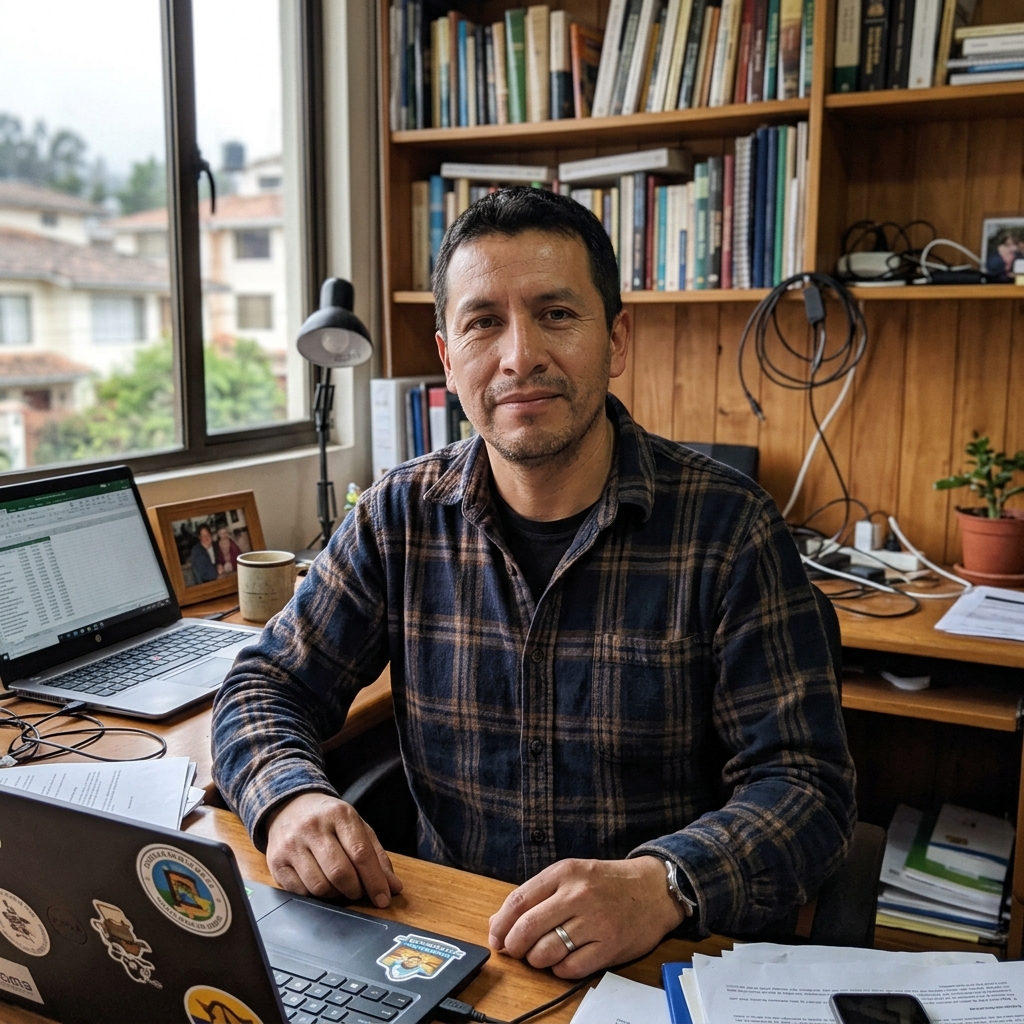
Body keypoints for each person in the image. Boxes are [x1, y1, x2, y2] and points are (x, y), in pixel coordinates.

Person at [213, 187, 856, 979]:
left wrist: (664, 884)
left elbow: (808, 787)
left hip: (652, 958)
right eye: (484, 322)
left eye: (556, 314)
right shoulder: (397, 516)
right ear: (449, 356)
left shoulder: (728, 531)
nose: (520, 356)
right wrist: (288, 800)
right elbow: (266, 683)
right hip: (451, 946)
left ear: (615, 338)